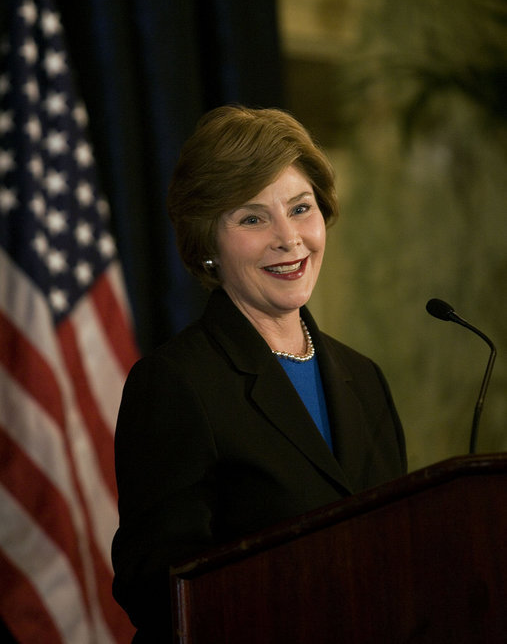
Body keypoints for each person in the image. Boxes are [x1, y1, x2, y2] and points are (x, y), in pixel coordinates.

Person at [112, 105, 407, 642]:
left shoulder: (365, 380)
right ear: (207, 246)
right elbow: (154, 586)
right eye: (252, 218)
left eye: (300, 208)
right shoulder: (177, 383)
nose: (288, 239)